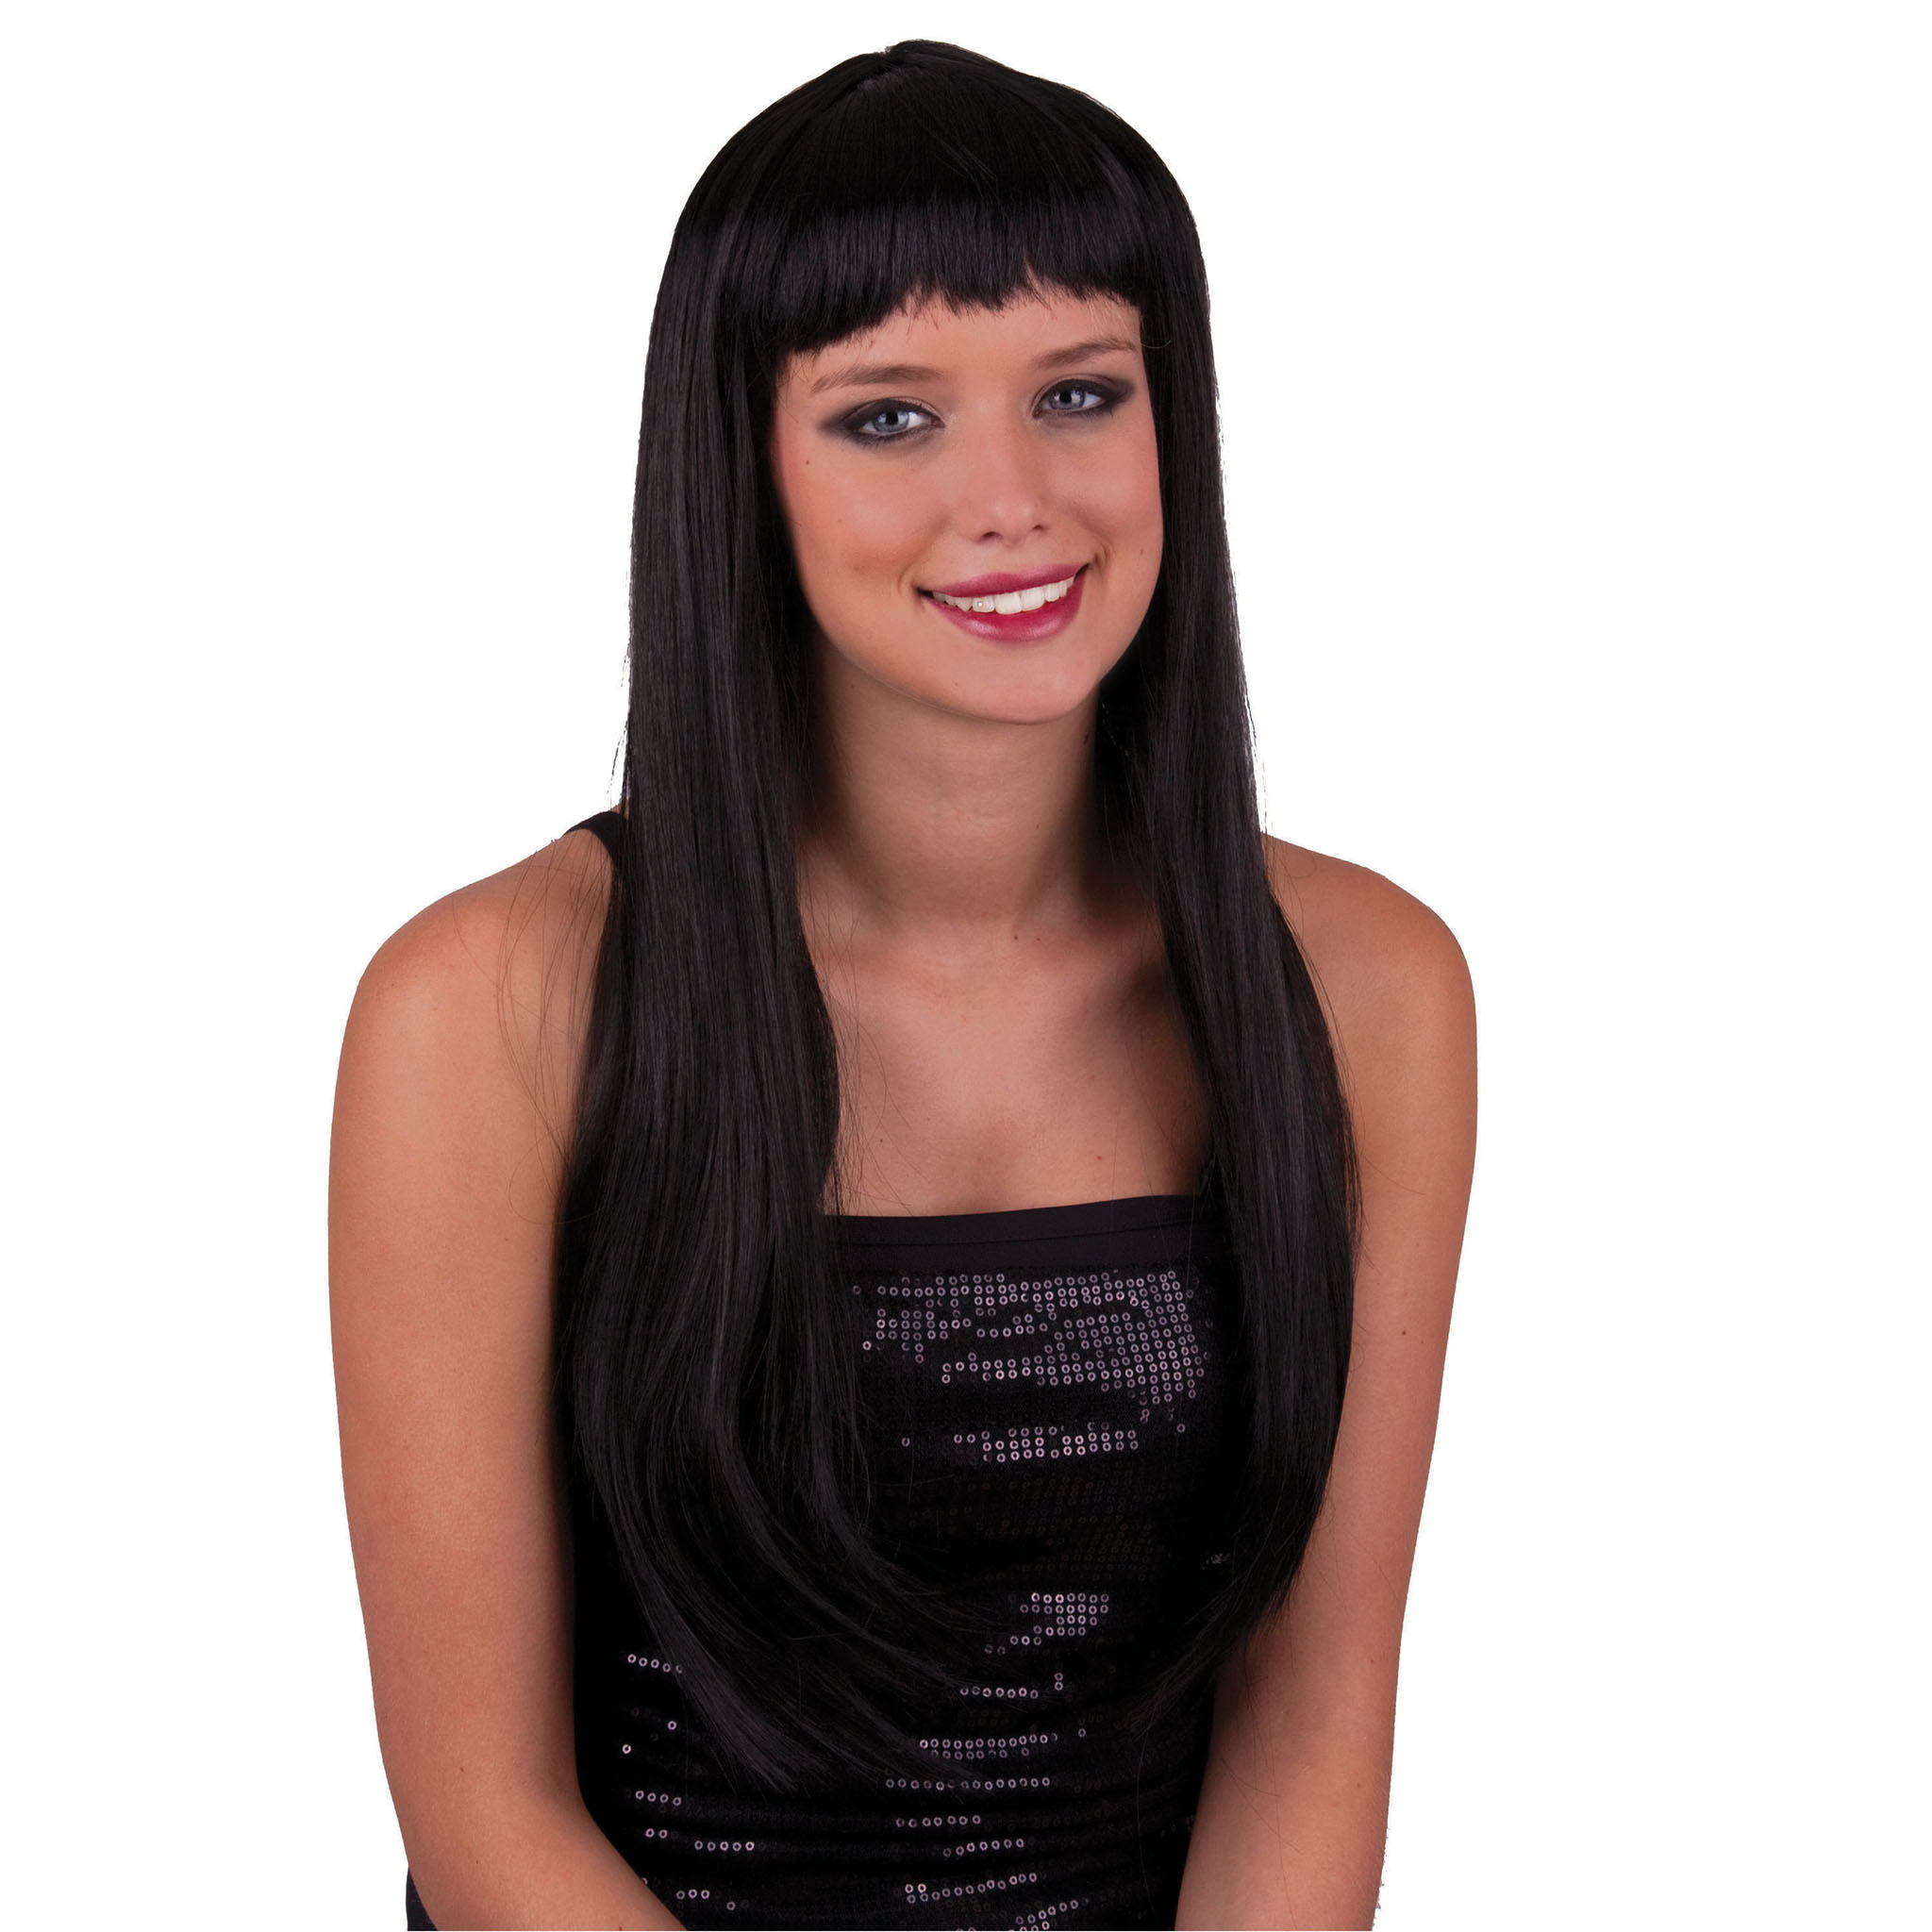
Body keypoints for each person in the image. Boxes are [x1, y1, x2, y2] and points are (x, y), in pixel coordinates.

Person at [329, 39, 1476, 1932]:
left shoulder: (1368, 990)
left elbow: (1312, 1713)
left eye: (1080, 393)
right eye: (887, 417)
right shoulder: (490, 1008)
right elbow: (484, 1811)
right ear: (744, 467)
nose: (1010, 497)